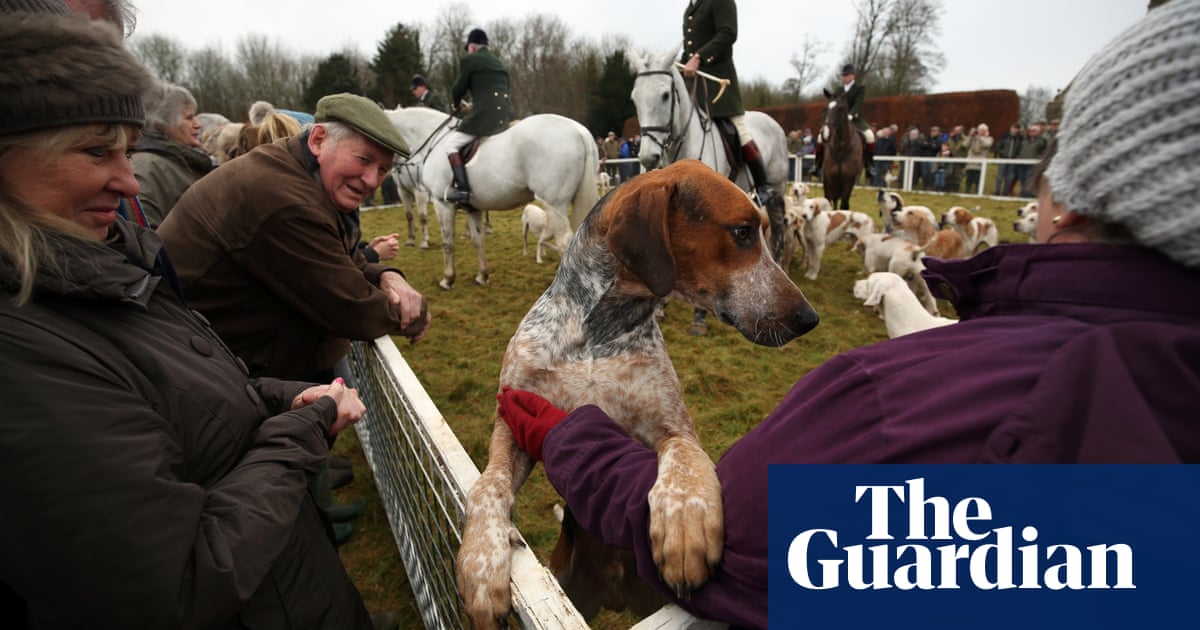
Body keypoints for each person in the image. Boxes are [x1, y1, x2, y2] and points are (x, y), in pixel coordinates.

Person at [492, 1, 1200, 626]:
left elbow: (728, 541)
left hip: (715, 94)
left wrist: (572, 444)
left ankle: (761, 185)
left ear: (1073, 193)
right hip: (683, 90)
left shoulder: (887, 397)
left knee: (741, 137)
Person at [0, 8, 385, 628]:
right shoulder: (27, 346)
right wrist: (305, 427)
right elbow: (175, 580)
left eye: (126, 150)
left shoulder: (97, 265)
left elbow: (182, 392)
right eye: (97, 150)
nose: (128, 182)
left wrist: (280, 397)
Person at [158, 92, 429, 382]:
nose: (372, 181)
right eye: (364, 159)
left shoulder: (293, 169)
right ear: (318, 140)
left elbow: (343, 260)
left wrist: (388, 275)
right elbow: (350, 306)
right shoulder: (287, 201)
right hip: (204, 375)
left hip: (221, 359)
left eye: (383, 170)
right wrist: (414, 314)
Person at [680, 0, 779, 209]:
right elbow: (689, 46)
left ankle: (763, 185)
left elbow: (728, 33)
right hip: (695, 85)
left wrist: (699, 57)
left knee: (741, 129)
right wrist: (682, 63)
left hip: (719, 83)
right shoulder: (692, 7)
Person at [443, 28, 516, 205]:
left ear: (473, 47)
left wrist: (457, 103)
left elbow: (458, 88)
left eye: (468, 48)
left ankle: (463, 190)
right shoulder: (499, 63)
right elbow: (491, 92)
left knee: (451, 144)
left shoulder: (470, 60)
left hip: (485, 117)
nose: (467, 51)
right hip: (505, 115)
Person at [129, 81, 213, 227]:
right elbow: (144, 237)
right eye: (189, 117)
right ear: (162, 124)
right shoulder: (146, 167)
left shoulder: (181, 161)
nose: (198, 124)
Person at [809, 63, 876, 180]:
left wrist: (851, 114)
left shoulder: (859, 89)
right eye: (843, 75)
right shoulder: (839, 90)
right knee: (821, 137)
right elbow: (833, 105)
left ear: (852, 76)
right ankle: (817, 165)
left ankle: (869, 166)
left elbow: (859, 104)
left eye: (846, 75)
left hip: (855, 120)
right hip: (838, 121)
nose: (844, 78)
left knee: (870, 136)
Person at [1015, 123, 1049, 197]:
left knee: (1029, 179)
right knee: (1022, 179)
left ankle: (1029, 194)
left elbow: (1045, 152)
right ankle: (1023, 194)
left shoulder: (1042, 141)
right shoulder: (1023, 141)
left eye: (1034, 131)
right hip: (1021, 163)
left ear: (1038, 132)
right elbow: (1018, 150)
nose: (1032, 132)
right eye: (1030, 131)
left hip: (1033, 164)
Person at [993, 122, 1024, 195]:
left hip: (1013, 160)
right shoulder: (1005, 136)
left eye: (1016, 129)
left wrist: (1017, 156)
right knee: (1000, 176)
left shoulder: (1020, 138)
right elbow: (998, 146)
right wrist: (1002, 153)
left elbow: (1021, 149)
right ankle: (997, 191)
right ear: (1011, 128)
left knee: (1009, 177)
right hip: (1003, 158)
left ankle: (1005, 192)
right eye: (1013, 128)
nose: (1014, 130)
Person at [963, 122, 993, 193]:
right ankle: (967, 192)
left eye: (983, 130)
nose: (981, 131)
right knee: (969, 179)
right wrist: (970, 136)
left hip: (980, 164)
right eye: (980, 129)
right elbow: (965, 145)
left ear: (986, 131)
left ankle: (977, 193)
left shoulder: (989, 138)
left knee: (978, 180)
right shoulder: (973, 139)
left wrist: (979, 137)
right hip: (970, 163)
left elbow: (986, 145)